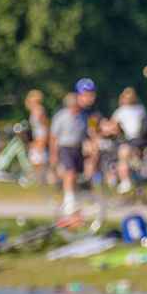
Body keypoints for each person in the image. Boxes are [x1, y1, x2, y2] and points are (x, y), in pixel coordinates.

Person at [49, 83, 92, 214]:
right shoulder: (61, 116)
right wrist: (53, 154)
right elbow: (53, 136)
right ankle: (69, 200)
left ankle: (76, 199)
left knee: (77, 175)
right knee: (70, 172)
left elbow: (86, 133)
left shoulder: (82, 116)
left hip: (78, 148)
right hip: (65, 147)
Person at [110, 87, 147, 194]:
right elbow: (113, 126)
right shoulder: (122, 111)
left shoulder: (138, 109)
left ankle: (126, 180)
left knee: (124, 154)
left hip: (136, 140)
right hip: (130, 140)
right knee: (127, 157)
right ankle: (129, 180)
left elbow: (145, 127)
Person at [25, 90, 50, 184]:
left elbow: (45, 127)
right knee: (35, 160)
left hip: (41, 137)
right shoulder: (33, 111)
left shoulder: (39, 110)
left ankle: (41, 181)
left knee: (38, 160)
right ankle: (38, 181)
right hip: (37, 137)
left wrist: (42, 142)